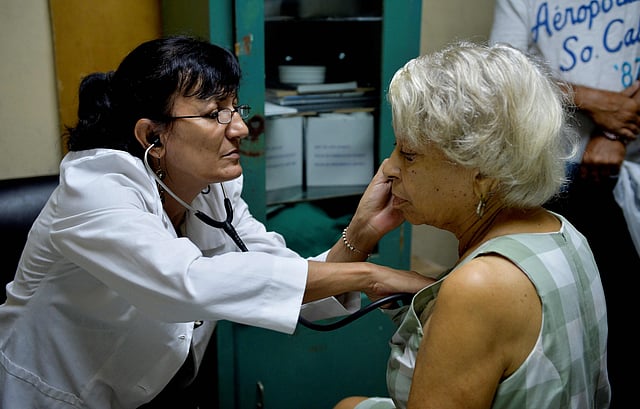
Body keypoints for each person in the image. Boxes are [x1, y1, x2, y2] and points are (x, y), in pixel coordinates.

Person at [0, 35, 433, 409]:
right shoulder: (96, 187)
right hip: (50, 395)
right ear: (153, 136)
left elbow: (280, 274)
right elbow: (184, 282)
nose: (241, 128)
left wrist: (358, 236)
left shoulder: (211, 189)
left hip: (147, 389)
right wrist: (374, 274)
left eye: (234, 107)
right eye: (215, 114)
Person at [333, 41, 610, 409]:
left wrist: (454, 295)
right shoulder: (564, 233)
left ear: (482, 172)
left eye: (409, 154)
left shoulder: (480, 287)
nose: (389, 168)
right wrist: (427, 288)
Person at [489, 2, 640, 406]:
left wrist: (616, 137)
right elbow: (501, 75)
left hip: (631, 172)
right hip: (550, 172)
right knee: (559, 323)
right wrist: (591, 100)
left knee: (626, 325)